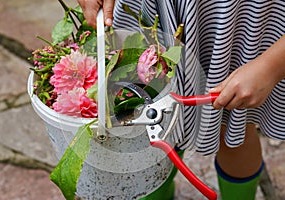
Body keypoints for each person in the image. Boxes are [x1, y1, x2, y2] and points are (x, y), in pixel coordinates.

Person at [77, 0, 285, 199]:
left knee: (233, 129)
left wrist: (272, 65)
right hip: (153, 11)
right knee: (148, 122)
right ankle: (154, 193)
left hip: (238, 20)